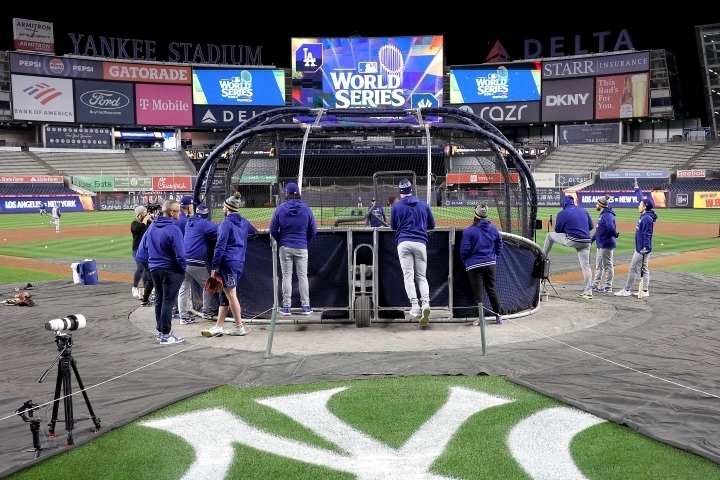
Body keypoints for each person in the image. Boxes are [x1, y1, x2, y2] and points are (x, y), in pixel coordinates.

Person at [201, 193, 257, 337]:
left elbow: (220, 247)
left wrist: (214, 267)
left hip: (227, 263)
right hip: (239, 261)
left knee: (231, 295)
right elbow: (255, 231)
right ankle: (219, 326)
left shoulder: (225, 224)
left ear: (227, 208)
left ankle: (239, 328)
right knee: (226, 295)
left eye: (223, 207)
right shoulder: (244, 222)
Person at [390, 178, 436, 326]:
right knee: (421, 277)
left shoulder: (396, 207)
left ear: (400, 192)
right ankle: (426, 304)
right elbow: (432, 225)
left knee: (408, 276)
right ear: (412, 190)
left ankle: (415, 307)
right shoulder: (423, 205)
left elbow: (393, 227)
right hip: (420, 242)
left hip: (403, 242)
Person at [270, 182, 317, 316]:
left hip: (285, 247)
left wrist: (282, 241)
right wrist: (304, 242)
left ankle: (286, 307)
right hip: (301, 247)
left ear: (287, 194)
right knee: (303, 277)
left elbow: (273, 229)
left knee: (286, 277)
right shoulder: (306, 209)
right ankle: (306, 306)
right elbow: (313, 230)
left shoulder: (280, 209)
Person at [146, 199, 187, 345]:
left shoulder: (152, 226)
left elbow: (145, 248)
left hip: (154, 269)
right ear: (171, 212)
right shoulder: (174, 229)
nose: (180, 213)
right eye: (178, 210)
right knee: (168, 301)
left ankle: (160, 331)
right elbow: (181, 255)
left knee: (159, 299)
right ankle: (166, 334)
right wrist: (183, 269)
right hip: (170, 270)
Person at [460, 203, 504, 326]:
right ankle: (498, 317)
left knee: (478, 293)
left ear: (475, 215)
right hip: (490, 264)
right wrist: (495, 257)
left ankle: (481, 319)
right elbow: (499, 244)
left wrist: (466, 262)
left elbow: (464, 250)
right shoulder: (493, 228)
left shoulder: (469, 231)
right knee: (492, 290)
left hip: (474, 266)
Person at [542, 195, 594, 299]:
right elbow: (591, 226)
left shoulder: (562, 213)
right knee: (586, 266)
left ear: (563, 204)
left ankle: (543, 256)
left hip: (572, 240)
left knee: (549, 235)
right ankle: (588, 291)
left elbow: (558, 231)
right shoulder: (583, 210)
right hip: (587, 241)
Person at [615, 179, 657, 297]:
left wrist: (645, 248)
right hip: (642, 248)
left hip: (641, 249)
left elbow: (647, 235)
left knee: (633, 268)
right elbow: (641, 198)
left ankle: (626, 290)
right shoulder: (645, 214)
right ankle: (644, 291)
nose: (639, 205)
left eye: (640, 204)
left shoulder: (647, 219)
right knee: (645, 268)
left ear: (645, 207)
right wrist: (637, 189)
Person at [181, 203, 218, 320]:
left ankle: (183, 316)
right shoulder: (203, 223)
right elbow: (220, 229)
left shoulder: (189, 222)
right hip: (195, 262)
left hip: (183, 261)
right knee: (210, 285)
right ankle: (206, 311)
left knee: (183, 289)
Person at [590, 195, 619, 294]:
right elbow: (599, 230)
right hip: (601, 244)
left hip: (606, 244)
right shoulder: (603, 214)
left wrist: (614, 234)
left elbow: (611, 228)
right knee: (599, 266)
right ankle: (595, 285)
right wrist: (592, 240)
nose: (595, 205)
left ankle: (608, 286)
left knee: (608, 266)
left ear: (600, 205)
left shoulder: (607, 215)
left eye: (597, 203)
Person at [174, 195, 194, 322]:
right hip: (179, 256)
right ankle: (179, 312)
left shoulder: (180, 217)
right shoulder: (183, 221)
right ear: (188, 206)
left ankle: (176, 310)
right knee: (181, 286)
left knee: (179, 285)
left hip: (173, 255)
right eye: (192, 205)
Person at [131, 206, 153, 299]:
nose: (146, 215)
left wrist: (152, 221)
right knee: (140, 268)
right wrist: (146, 220)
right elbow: (141, 229)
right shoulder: (134, 223)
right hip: (136, 249)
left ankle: (145, 288)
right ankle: (134, 287)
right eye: (144, 213)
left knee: (146, 270)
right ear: (139, 215)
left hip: (145, 249)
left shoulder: (147, 222)